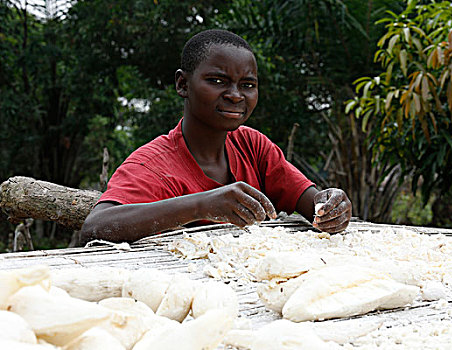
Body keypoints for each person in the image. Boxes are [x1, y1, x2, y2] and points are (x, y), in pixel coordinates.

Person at [80, 29, 352, 243]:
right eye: (217, 81)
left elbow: (311, 202)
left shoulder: (252, 145)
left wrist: (329, 206)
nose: (235, 95)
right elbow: (96, 226)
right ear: (183, 84)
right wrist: (202, 205)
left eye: (247, 85)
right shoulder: (153, 165)